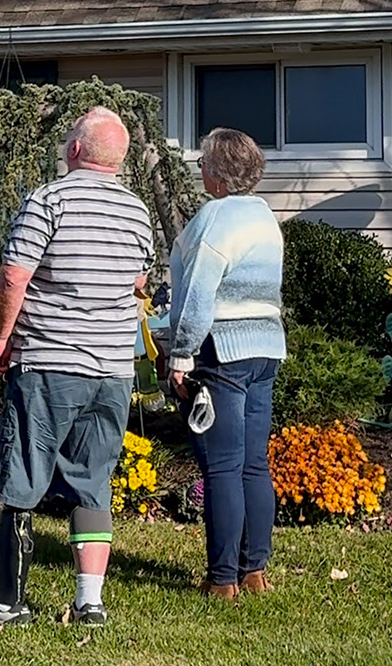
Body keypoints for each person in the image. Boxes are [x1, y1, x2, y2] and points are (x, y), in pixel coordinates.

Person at [0, 107, 155, 629]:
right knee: (94, 480)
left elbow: (13, 277)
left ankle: (9, 602)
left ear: (75, 150)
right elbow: (139, 282)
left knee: (24, 476)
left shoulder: (47, 200)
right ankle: (90, 602)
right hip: (114, 370)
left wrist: (3, 337)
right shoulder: (138, 213)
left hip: (50, 361)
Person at [166, 127, 287, 602]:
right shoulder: (264, 216)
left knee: (221, 467)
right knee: (253, 464)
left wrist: (180, 355)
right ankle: (254, 569)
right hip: (265, 348)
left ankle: (222, 579)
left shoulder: (214, 219)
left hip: (221, 351)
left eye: (201, 164)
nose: (198, 170)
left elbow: (197, 297)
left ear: (216, 173)